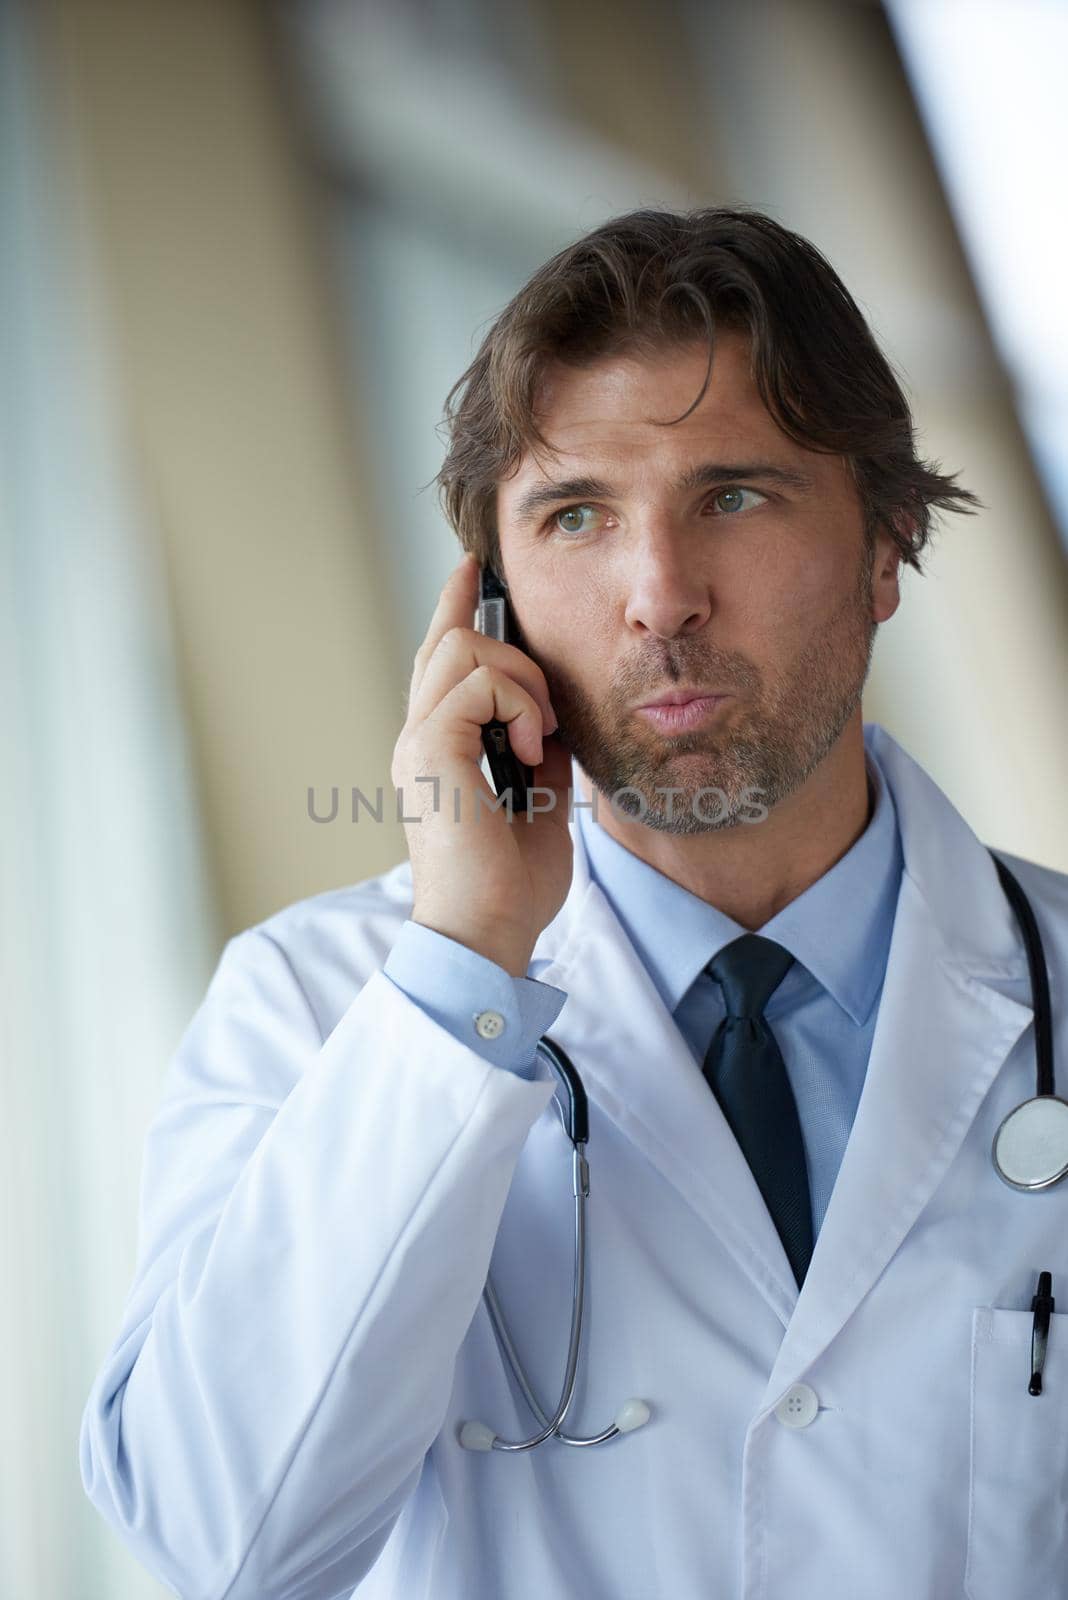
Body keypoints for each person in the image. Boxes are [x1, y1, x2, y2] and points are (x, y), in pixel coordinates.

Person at [80, 207, 1068, 1600]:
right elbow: (223, 1549)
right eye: (576, 517)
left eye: (735, 495)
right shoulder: (315, 1009)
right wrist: (466, 962)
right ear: (488, 604)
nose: (660, 597)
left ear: (887, 542)